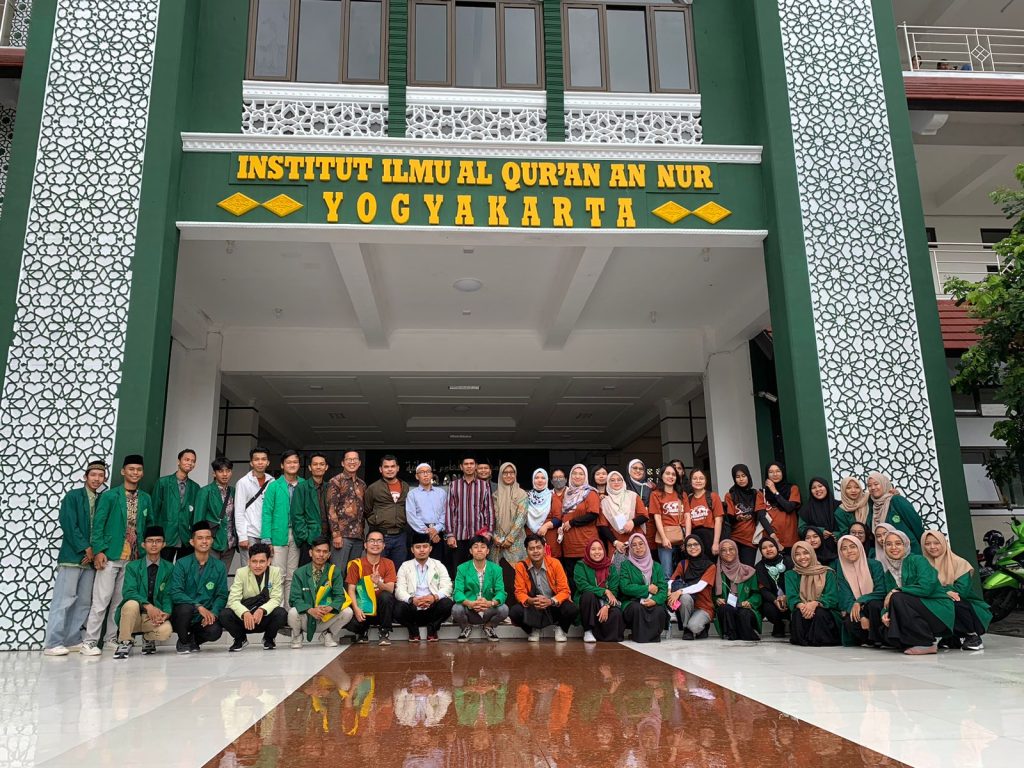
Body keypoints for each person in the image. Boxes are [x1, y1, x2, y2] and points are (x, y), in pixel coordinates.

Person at [80, 454, 153, 656]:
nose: (135, 473)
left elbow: (149, 525)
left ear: (142, 473)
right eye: (131, 469)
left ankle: (110, 639)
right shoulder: (110, 496)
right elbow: (98, 525)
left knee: (119, 602)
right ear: (123, 471)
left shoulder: (146, 498)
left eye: (138, 469)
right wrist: (99, 551)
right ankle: (89, 641)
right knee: (101, 600)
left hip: (133, 559)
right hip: (110, 555)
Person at [42, 459, 106, 656]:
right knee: (64, 600)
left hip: (90, 561)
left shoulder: (102, 499)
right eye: (93, 475)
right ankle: (52, 642)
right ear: (85, 476)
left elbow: (100, 528)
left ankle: (71, 639)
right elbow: (68, 523)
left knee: (83, 602)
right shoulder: (73, 496)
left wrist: (93, 551)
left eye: (100, 475)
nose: (96, 479)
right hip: (72, 557)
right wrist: (85, 548)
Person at [878, 529, 953, 655]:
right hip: (917, 611)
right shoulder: (889, 573)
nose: (893, 547)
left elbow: (926, 587)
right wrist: (885, 613)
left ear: (906, 545)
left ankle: (926, 643)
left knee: (898, 597)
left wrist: (897, 590)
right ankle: (913, 641)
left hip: (937, 610)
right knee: (885, 627)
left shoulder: (918, 560)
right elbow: (887, 598)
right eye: (888, 544)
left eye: (898, 543)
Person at [921, 529, 989, 651]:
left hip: (967, 606)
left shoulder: (959, 563)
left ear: (944, 543)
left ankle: (972, 635)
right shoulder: (922, 564)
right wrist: (944, 591)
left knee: (953, 600)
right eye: (927, 544)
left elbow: (961, 591)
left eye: (936, 543)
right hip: (938, 600)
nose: (932, 547)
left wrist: (940, 591)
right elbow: (920, 587)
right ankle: (951, 636)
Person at [112, 525, 174, 659]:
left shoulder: (169, 568)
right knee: (131, 604)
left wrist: (166, 613)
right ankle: (125, 641)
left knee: (166, 630)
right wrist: (148, 606)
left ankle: (148, 638)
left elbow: (168, 595)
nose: (154, 544)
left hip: (151, 618)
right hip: (132, 617)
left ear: (164, 544)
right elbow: (129, 591)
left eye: (158, 541)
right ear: (143, 544)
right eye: (150, 541)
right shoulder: (133, 566)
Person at [170, 521, 229, 653]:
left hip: (204, 617)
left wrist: (213, 613)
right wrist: (198, 606)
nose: (204, 541)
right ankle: (183, 641)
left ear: (212, 541)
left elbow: (221, 595)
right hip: (184, 615)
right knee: (185, 609)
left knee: (215, 631)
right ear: (192, 542)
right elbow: (176, 592)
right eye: (200, 538)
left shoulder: (219, 566)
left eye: (208, 538)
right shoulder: (181, 564)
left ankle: (193, 640)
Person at [218, 542, 287, 651]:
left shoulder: (275, 572)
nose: (258, 565)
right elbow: (233, 600)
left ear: (268, 561)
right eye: (254, 561)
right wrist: (244, 613)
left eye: (262, 561)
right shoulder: (241, 572)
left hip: (263, 617)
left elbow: (276, 599)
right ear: (249, 561)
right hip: (245, 618)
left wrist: (261, 610)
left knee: (281, 613)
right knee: (224, 614)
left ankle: (269, 638)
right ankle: (240, 639)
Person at [288, 537, 354, 648]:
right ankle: (297, 635)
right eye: (318, 551)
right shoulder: (299, 572)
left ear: (329, 555)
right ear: (311, 552)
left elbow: (340, 596)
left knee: (348, 612)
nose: (321, 555)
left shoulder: (335, 571)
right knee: (293, 612)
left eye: (325, 552)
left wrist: (330, 608)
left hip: (326, 616)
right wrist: (310, 610)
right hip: (307, 617)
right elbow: (294, 599)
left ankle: (328, 634)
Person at [511, 534, 578, 642]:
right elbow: (519, 592)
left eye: (538, 547)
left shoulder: (555, 563)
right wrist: (531, 600)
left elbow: (565, 590)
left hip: (553, 605)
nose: (535, 551)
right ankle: (532, 630)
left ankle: (561, 628)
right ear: (526, 550)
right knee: (515, 612)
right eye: (531, 549)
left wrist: (551, 601)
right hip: (534, 606)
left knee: (572, 609)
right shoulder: (521, 566)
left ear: (544, 548)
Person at [262, 450, 308, 609]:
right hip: (278, 534)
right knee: (277, 574)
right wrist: (266, 539)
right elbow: (267, 513)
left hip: (297, 535)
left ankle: (289, 609)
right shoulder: (274, 486)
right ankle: (277, 609)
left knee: (292, 575)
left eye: (295, 462)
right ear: (282, 465)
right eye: (288, 462)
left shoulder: (304, 484)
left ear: (299, 465)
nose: (292, 465)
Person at [394, 532, 454, 642]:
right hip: (412, 608)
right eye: (418, 547)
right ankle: (413, 630)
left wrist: (434, 597)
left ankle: (432, 628)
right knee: (398, 608)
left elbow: (448, 586)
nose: (422, 550)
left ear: (430, 548)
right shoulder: (405, 566)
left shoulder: (438, 565)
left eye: (425, 546)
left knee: (448, 603)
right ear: (412, 550)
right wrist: (412, 600)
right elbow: (399, 590)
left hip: (432, 608)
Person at [451, 535, 508, 641]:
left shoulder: (497, 569)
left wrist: (490, 603)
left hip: (488, 609)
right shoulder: (462, 568)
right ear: (471, 551)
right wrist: (470, 603)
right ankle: (466, 627)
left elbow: (501, 592)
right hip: (470, 609)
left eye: (483, 547)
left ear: (487, 551)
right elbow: (457, 592)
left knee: (504, 609)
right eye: (476, 547)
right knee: (456, 609)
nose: (479, 550)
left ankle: (489, 626)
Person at [552, 464, 600, 592]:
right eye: (574, 473)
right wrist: (562, 525)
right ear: (570, 476)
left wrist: (572, 523)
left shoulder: (590, 492)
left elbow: (593, 515)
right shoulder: (567, 494)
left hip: (585, 542)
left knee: (588, 579)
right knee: (572, 580)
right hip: (569, 545)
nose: (577, 476)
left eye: (581, 474)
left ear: (585, 476)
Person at [344, 531, 397, 645]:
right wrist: (356, 609)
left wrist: (378, 583)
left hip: (381, 611)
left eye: (379, 541)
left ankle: (384, 632)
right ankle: (362, 631)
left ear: (383, 545)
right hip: (363, 609)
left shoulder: (388, 563)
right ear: (365, 545)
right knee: (348, 620)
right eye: (372, 540)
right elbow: (351, 590)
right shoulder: (356, 564)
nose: (375, 544)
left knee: (386, 596)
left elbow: (390, 589)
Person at [785, 541, 840, 647]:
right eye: (797, 554)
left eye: (806, 553)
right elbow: (792, 597)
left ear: (812, 553)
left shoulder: (828, 573)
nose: (802, 557)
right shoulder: (790, 574)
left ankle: (823, 639)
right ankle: (804, 639)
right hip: (803, 609)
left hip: (824, 611)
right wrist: (802, 606)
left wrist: (815, 603)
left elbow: (832, 597)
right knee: (798, 613)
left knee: (820, 612)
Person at [835, 534, 885, 647]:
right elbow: (845, 597)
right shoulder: (841, 569)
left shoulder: (874, 565)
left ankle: (880, 639)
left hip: (873, 606)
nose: (849, 551)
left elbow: (881, 590)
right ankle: (867, 640)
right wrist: (862, 616)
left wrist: (860, 601)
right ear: (840, 552)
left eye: (852, 546)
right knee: (850, 621)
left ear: (859, 547)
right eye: (844, 548)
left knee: (874, 605)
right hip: (856, 609)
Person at [152, 449, 201, 563]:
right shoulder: (163, 483)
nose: (190, 463)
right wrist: (155, 536)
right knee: (163, 569)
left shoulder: (195, 487)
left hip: (186, 537)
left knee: (183, 569)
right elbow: (154, 511)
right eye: (186, 459)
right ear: (179, 461)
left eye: (193, 461)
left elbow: (195, 515)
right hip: (166, 535)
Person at [617, 533, 667, 643]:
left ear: (646, 545)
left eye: (641, 544)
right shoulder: (626, 565)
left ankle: (653, 637)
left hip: (652, 600)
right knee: (637, 608)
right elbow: (625, 587)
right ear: (630, 548)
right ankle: (639, 636)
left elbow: (663, 588)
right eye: (634, 545)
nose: (638, 547)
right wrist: (647, 589)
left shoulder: (656, 566)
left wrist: (655, 600)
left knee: (659, 610)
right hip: (632, 601)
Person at [445, 456, 495, 567]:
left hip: (479, 535)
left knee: (479, 569)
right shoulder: (454, 485)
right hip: (458, 536)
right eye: (466, 464)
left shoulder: (484, 485)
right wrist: (450, 534)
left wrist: (489, 533)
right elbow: (449, 510)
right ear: (461, 467)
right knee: (459, 569)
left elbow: (489, 510)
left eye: (471, 464)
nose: (469, 466)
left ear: (475, 466)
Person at [490, 462, 528, 599]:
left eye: (511, 473)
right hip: (497, 545)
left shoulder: (522, 494)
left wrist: (510, 538)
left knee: (515, 580)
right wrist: (495, 537)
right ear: (500, 475)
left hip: (515, 544)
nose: (508, 475)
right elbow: (490, 519)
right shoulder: (495, 495)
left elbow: (521, 517)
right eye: (505, 473)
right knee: (498, 580)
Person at [365, 454, 410, 568]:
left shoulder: (405, 486)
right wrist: (376, 520)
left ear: (397, 468)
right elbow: (367, 510)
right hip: (381, 535)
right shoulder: (373, 488)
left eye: (392, 466)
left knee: (399, 569)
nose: (390, 469)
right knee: (378, 568)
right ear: (381, 469)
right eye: (386, 467)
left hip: (400, 535)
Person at [573, 539, 624, 642]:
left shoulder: (611, 567)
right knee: (588, 595)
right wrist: (604, 591)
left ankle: (600, 635)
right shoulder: (581, 565)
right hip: (589, 603)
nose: (597, 552)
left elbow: (614, 590)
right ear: (588, 551)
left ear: (604, 551)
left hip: (605, 601)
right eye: (593, 549)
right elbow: (583, 586)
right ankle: (588, 631)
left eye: (600, 549)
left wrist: (607, 606)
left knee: (616, 613)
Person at [723, 464, 773, 566]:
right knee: (733, 569)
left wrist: (772, 534)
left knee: (748, 569)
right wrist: (738, 518)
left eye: (743, 476)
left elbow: (761, 515)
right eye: (737, 477)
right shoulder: (730, 495)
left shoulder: (756, 494)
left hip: (750, 540)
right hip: (734, 539)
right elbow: (729, 518)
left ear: (748, 476)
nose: (741, 479)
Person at [668, 535, 715, 640]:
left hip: (703, 607)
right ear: (685, 548)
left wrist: (679, 591)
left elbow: (700, 586)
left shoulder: (710, 566)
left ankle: (701, 626)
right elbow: (671, 580)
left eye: (695, 544)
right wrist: (669, 591)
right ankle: (686, 630)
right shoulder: (683, 564)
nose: (692, 547)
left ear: (701, 546)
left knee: (694, 626)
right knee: (685, 597)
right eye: (689, 545)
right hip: (687, 606)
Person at [713, 539, 762, 641]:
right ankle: (732, 633)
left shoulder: (748, 571)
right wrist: (716, 600)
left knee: (744, 613)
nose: (728, 553)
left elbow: (757, 594)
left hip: (744, 607)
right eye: (723, 550)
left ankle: (742, 633)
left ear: (736, 551)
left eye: (731, 549)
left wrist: (750, 602)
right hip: (727, 609)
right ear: (720, 553)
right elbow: (711, 594)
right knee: (725, 609)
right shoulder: (716, 572)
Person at [194, 457, 236, 572]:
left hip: (230, 543)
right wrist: (200, 541)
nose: (225, 474)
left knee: (222, 576)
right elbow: (198, 519)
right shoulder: (205, 491)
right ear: (214, 473)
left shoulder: (234, 491)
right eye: (221, 471)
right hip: (211, 542)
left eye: (228, 471)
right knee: (208, 575)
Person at [326, 449, 367, 569]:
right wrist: (336, 535)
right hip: (342, 536)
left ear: (359, 463)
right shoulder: (335, 481)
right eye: (349, 459)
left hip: (358, 537)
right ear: (343, 463)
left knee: (353, 573)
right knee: (338, 571)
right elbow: (331, 510)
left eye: (355, 459)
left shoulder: (362, 484)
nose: (352, 462)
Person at [407, 463, 450, 574]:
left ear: (432, 475)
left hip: (438, 531)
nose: (425, 475)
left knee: (438, 565)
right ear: (417, 476)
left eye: (428, 472)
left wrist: (436, 529)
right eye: (422, 472)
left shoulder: (441, 493)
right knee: (419, 565)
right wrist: (429, 532)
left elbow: (445, 513)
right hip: (419, 532)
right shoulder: (412, 494)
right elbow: (411, 516)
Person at [234, 446, 273, 566]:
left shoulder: (272, 482)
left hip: (267, 534)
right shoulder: (243, 482)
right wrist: (242, 537)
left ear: (268, 462)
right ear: (251, 462)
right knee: (249, 568)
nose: (260, 462)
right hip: (249, 533)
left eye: (263, 459)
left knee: (265, 568)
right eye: (256, 459)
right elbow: (239, 511)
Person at [598, 470, 648, 562]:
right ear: (608, 483)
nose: (616, 482)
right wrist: (615, 542)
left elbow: (644, 516)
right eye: (612, 480)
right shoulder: (604, 502)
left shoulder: (633, 496)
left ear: (623, 481)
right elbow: (602, 526)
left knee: (639, 567)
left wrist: (632, 522)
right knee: (618, 569)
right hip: (617, 543)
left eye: (619, 479)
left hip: (636, 542)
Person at [867, 473, 924, 553]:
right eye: (869, 485)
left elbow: (915, 523)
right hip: (886, 554)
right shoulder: (871, 506)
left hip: (909, 551)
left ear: (884, 484)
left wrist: (923, 544)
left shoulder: (896, 500)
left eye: (876, 484)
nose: (873, 488)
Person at [291, 452, 331, 566]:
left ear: (326, 467)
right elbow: (297, 515)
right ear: (310, 467)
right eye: (315, 464)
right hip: (309, 539)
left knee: (326, 573)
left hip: (327, 538)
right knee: (307, 572)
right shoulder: (302, 487)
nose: (318, 467)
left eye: (321, 464)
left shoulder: (329, 487)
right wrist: (305, 537)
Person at [650, 464, 686, 579]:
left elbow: (687, 516)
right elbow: (657, 517)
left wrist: (688, 537)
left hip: (682, 536)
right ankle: (667, 591)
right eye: (667, 473)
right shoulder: (656, 494)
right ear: (662, 476)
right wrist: (664, 538)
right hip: (665, 537)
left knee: (683, 572)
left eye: (673, 474)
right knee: (667, 573)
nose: (671, 476)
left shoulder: (682, 494)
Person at [755, 537, 790, 638]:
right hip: (773, 600)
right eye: (764, 548)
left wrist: (786, 597)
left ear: (776, 547)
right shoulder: (759, 567)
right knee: (768, 608)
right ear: (761, 551)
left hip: (790, 597)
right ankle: (779, 626)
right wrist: (775, 600)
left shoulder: (788, 560)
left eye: (771, 546)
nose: (768, 549)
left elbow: (794, 584)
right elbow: (763, 589)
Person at [684, 468, 723, 557]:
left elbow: (718, 520)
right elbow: (687, 520)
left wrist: (716, 543)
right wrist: (687, 540)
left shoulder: (713, 496)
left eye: (701, 478)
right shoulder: (689, 499)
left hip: (710, 535)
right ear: (690, 481)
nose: (698, 481)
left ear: (705, 481)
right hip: (694, 535)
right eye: (695, 478)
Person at [763, 462, 801, 553]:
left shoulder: (793, 488)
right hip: (771, 539)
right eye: (771, 472)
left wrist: (774, 491)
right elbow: (761, 516)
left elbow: (789, 508)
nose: (775, 474)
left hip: (789, 538)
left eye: (778, 471)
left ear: (782, 472)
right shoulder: (762, 493)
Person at [799, 477, 839, 563]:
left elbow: (847, 526)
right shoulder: (806, 510)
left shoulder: (839, 506)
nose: (817, 489)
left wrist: (837, 535)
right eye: (814, 488)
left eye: (820, 486)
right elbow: (801, 529)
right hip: (816, 555)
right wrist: (819, 531)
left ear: (826, 487)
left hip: (839, 549)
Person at [524, 468, 555, 553]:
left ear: (547, 480)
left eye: (543, 478)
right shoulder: (526, 497)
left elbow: (559, 518)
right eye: (536, 478)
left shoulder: (552, 496)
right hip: (529, 539)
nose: (540, 480)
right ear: (533, 480)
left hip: (548, 538)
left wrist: (546, 526)